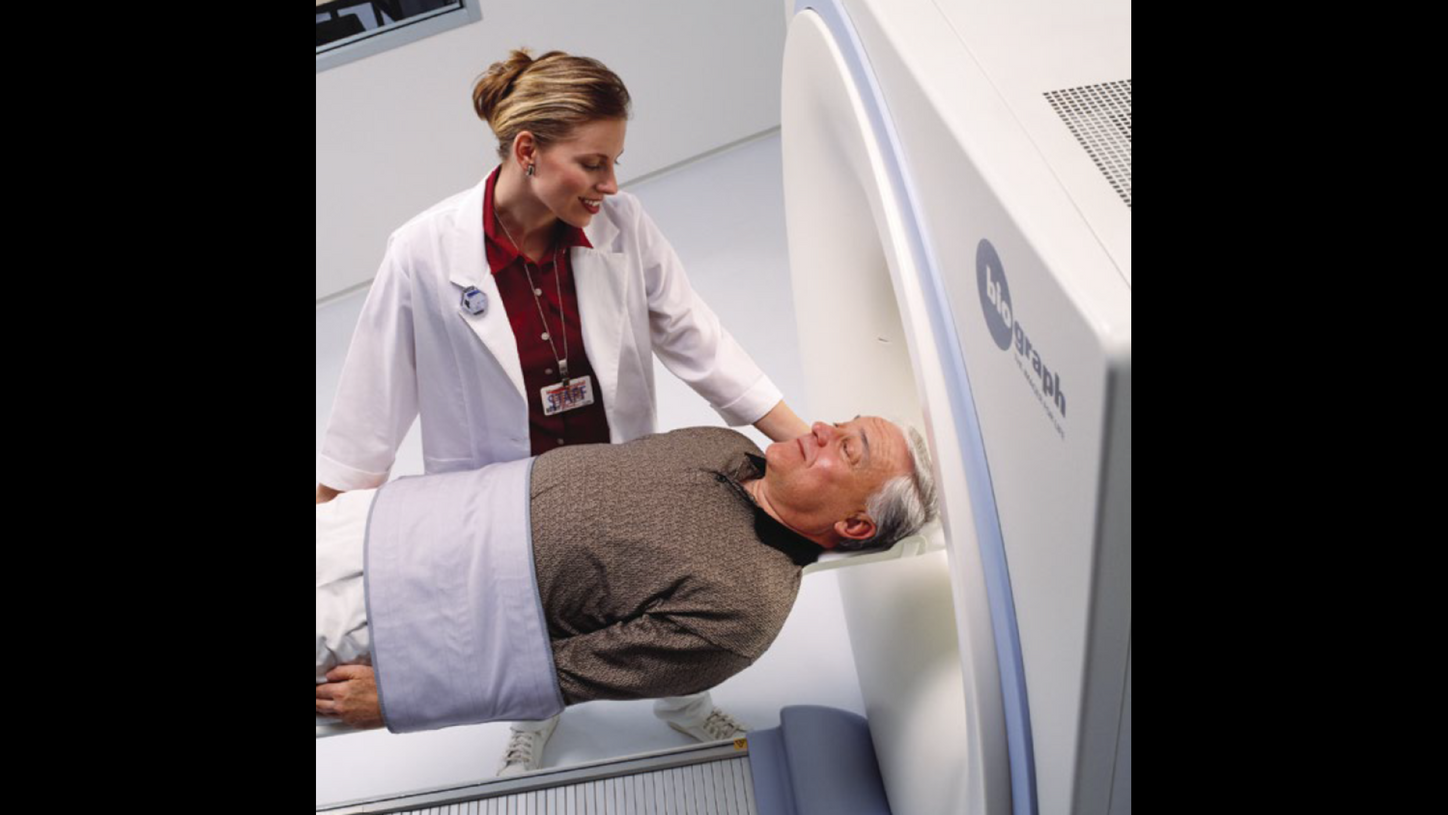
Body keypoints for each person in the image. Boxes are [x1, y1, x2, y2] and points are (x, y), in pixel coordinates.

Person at [316, 48, 811, 772]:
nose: (612, 184)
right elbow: (371, 404)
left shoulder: (622, 225)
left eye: (615, 163)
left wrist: (807, 436)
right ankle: (533, 718)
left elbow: (697, 339)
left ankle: (685, 704)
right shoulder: (424, 251)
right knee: (518, 616)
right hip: (502, 493)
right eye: (593, 163)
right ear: (528, 151)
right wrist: (327, 536)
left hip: (618, 471)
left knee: (666, 594)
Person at [316, 418, 937, 739]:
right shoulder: (720, 443)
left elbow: (562, 674)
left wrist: (404, 695)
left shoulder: (745, 610)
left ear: (855, 525)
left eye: (848, 449)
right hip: (384, 518)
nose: (823, 427)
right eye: (843, 422)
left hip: (389, 613)